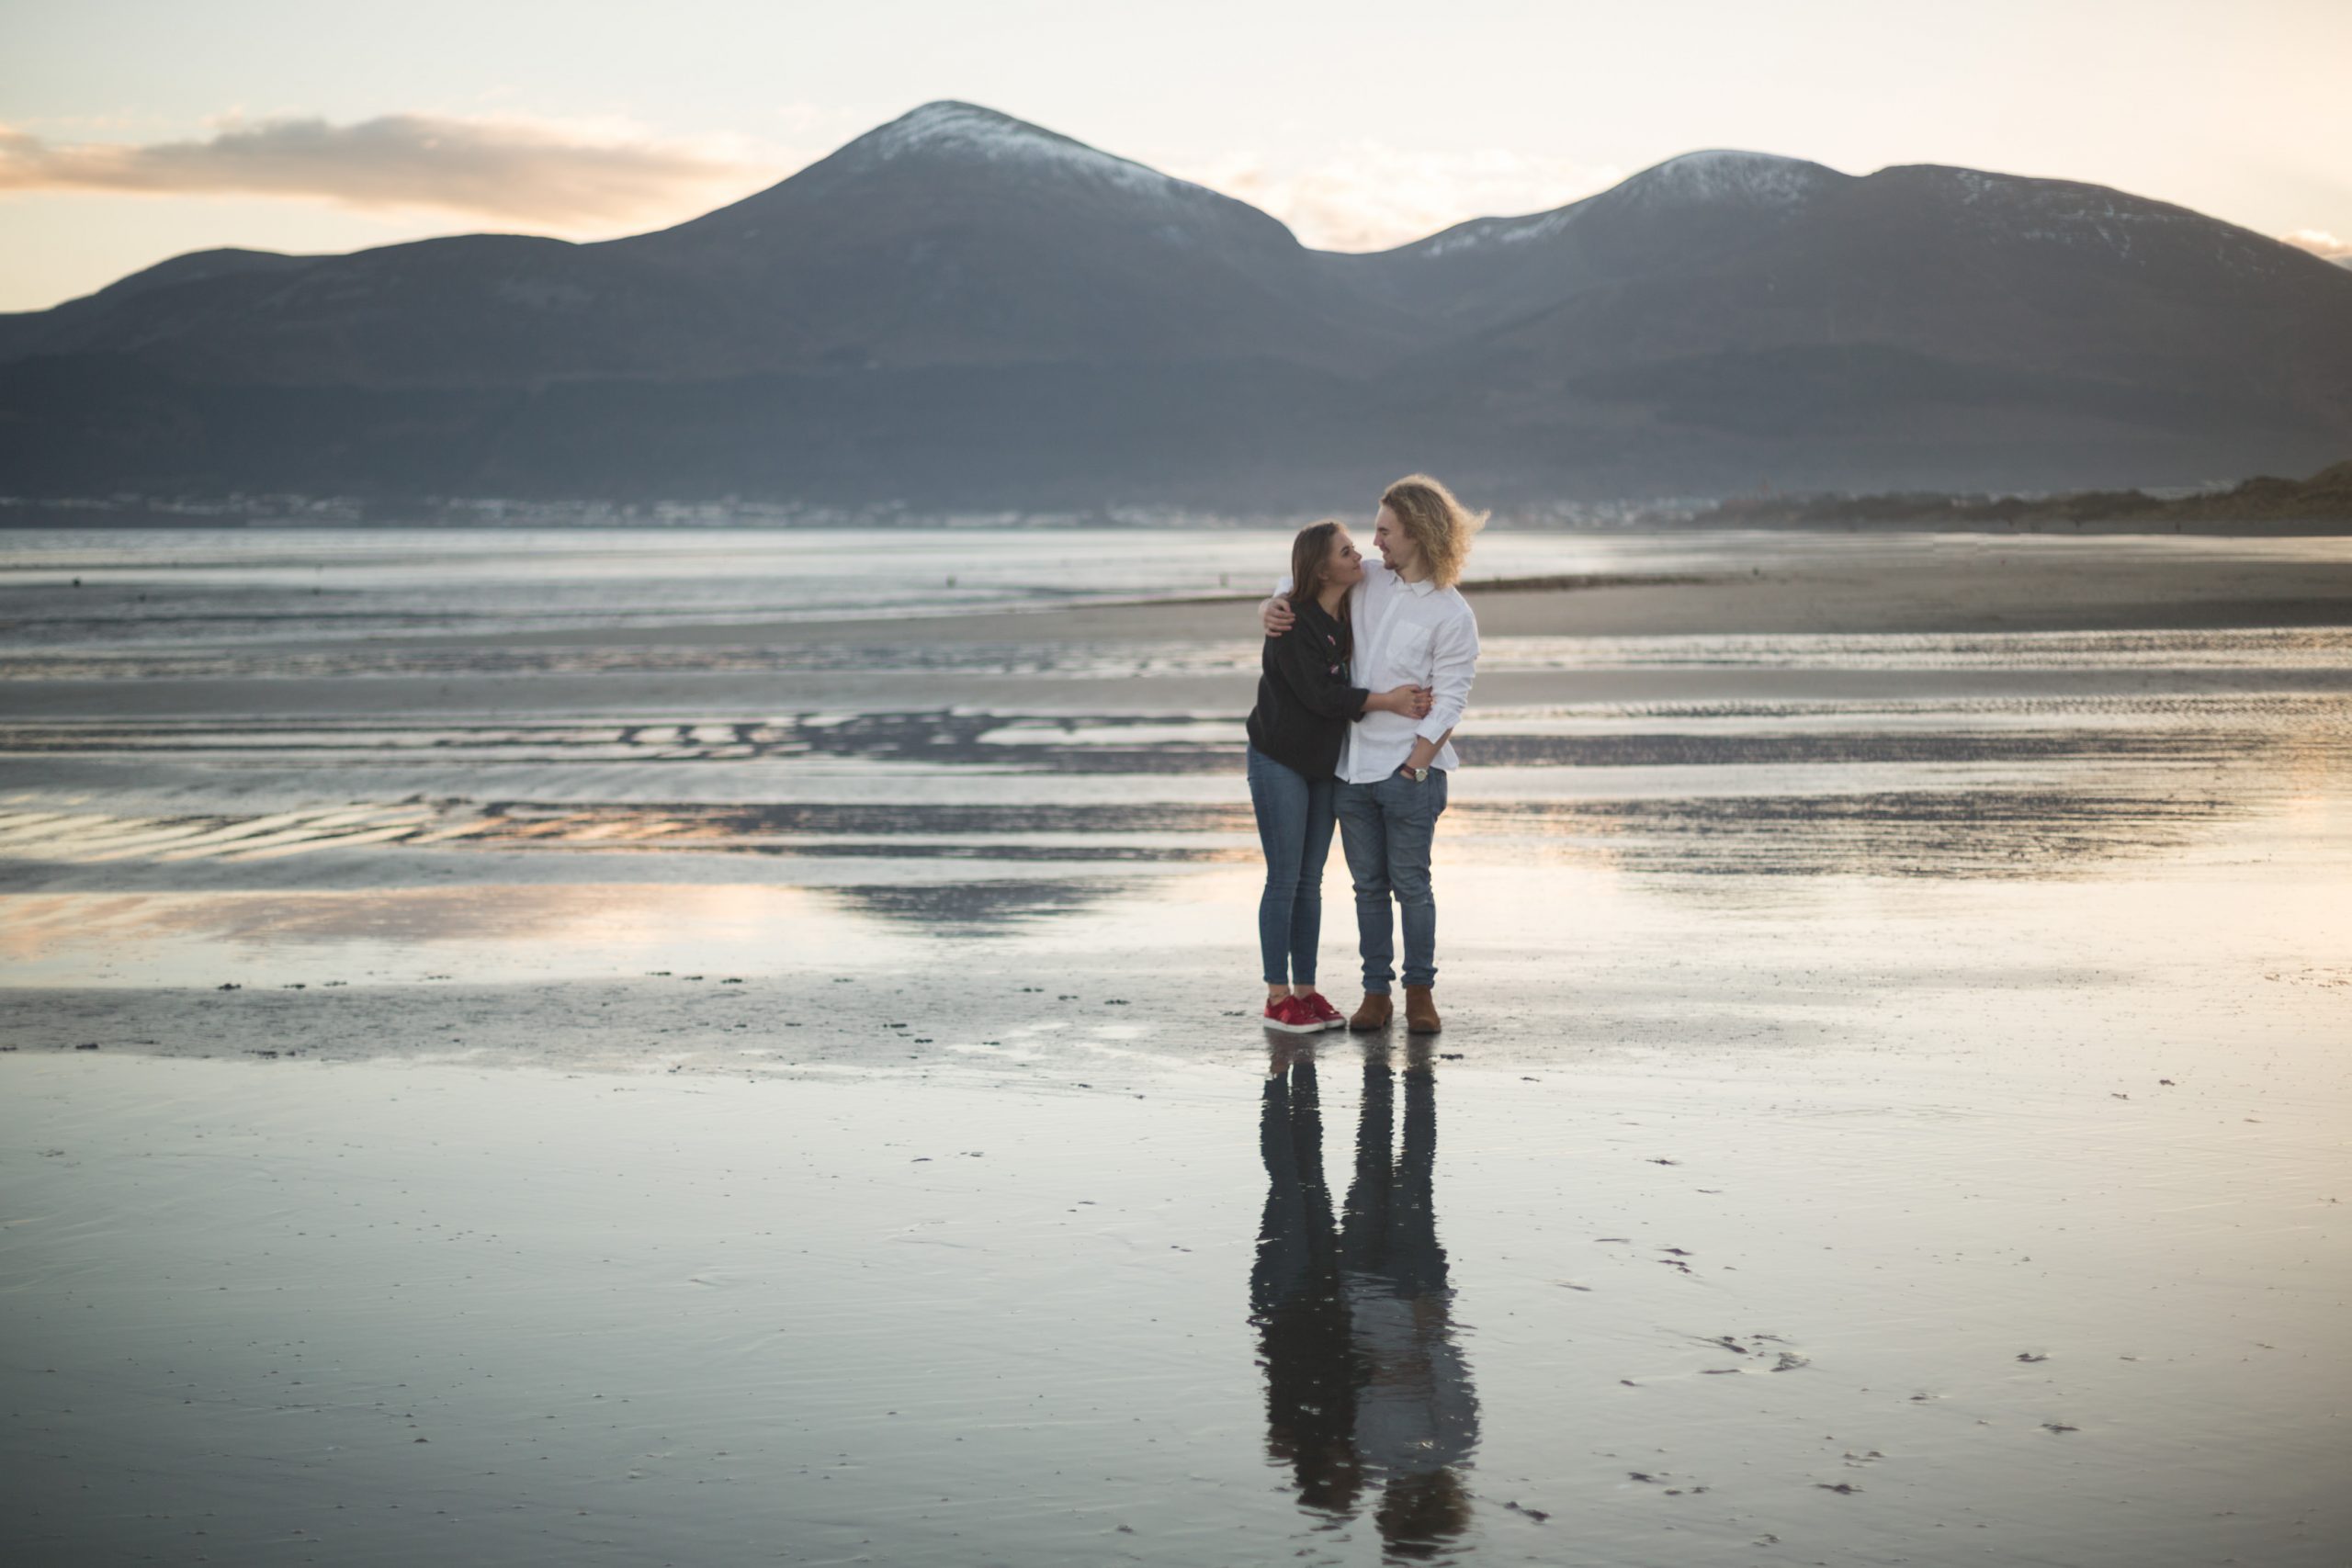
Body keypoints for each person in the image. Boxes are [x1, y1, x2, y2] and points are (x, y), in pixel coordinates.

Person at [1262, 477, 1483, 1034]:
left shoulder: (1452, 613)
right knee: (1367, 891)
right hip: (1352, 771)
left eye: (1385, 531)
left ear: (1418, 532)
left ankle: (1420, 994)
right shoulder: (1369, 580)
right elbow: (1302, 579)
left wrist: (1416, 764)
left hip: (1410, 773)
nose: (1375, 542)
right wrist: (1272, 604)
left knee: (1413, 888)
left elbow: (1451, 699)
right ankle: (1375, 995)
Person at [1247, 520, 1433, 1032]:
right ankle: (1277, 997)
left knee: (1310, 881)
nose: (1359, 555)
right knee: (1284, 878)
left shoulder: (1347, 606)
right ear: (1323, 569)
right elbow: (1322, 697)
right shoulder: (1292, 623)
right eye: (1346, 551)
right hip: (1278, 758)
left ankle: (1305, 992)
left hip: (1324, 764)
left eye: (1355, 547)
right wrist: (1389, 701)